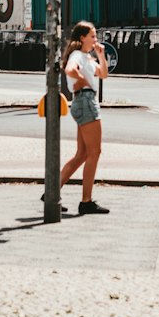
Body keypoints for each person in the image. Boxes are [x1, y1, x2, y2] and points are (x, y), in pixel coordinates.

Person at [58, 20, 111, 213]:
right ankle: (86, 201)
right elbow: (69, 69)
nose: (96, 39)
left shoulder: (88, 58)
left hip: (84, 100)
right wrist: (83, 82)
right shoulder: (78, 55)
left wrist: (101, 56)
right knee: (94, 152)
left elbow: (103, 74)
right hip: (87, 100)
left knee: (82, 154)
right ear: (82, 38)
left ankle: (52, 192)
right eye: (93, 36)